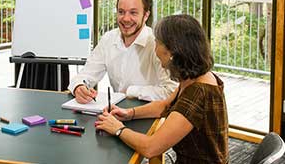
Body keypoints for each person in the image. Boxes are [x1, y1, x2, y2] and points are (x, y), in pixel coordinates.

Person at [95, 14, 229, 164]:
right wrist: (129, 114)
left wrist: (118, 129)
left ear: (172, 51)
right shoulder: (197, 78)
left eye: (157, 43)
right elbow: (165, 106)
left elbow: (151, 148)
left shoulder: (197, 93)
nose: (155, 50)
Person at [68, 0, 177, 102]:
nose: (126, 18)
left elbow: (171, 91)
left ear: (146, 15)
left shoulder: (156, 44)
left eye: (133, 13)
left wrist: (131, 91)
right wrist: (79, 87)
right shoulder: (108, 39)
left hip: (150, 114)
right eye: (121, 12)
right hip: (117, 112)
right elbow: (86, 74)